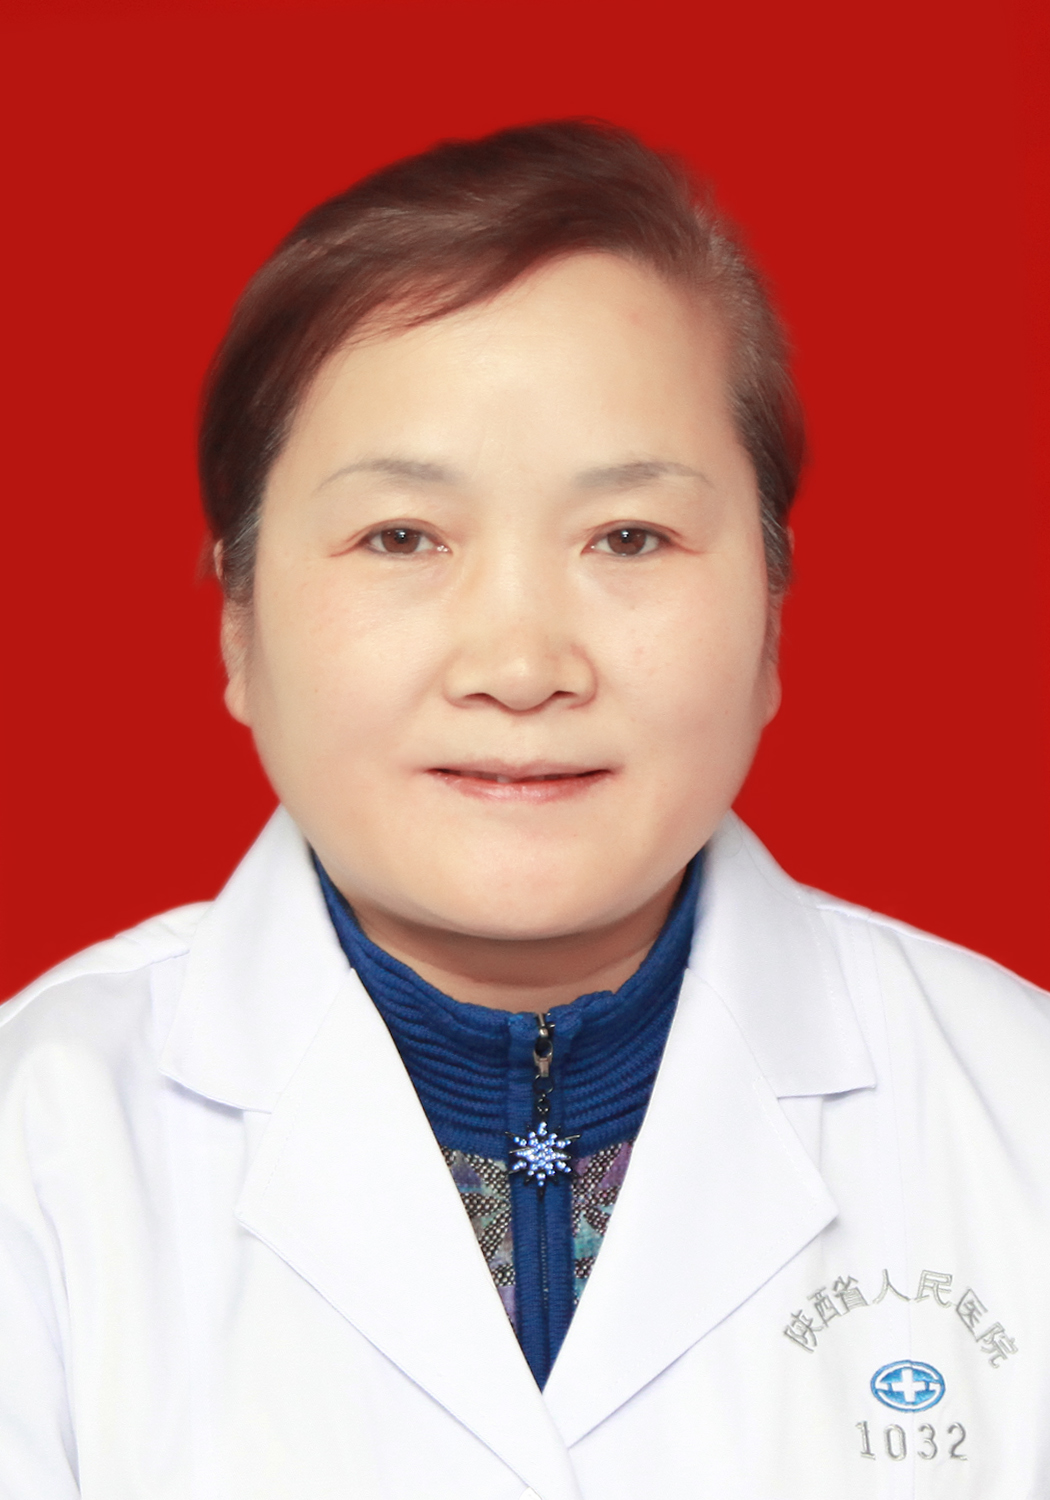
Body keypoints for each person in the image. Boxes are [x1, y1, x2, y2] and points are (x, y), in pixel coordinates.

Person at [0, 119, 1047, 1500]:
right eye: (401, 538)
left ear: (772, 617)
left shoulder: (1017, 1108)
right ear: (238, 625)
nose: (519, 664)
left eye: (628, 537)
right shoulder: (39, 1143)